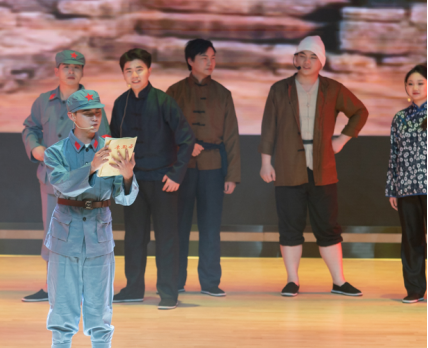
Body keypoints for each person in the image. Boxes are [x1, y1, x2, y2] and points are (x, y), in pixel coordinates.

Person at [42, 90, 138, 348]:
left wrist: (127, 176)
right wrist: (92, 167)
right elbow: (62, 184)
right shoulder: (56, 151)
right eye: (87, 112)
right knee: (62, 308)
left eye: (97, 111)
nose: (95, 117)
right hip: (65, 237)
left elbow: (125, 198)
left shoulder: (112, 149)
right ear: (72, 116)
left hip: (99, 236)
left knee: (101, 309)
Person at [259, 36, 369, 298]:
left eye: (313, 57)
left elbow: (360, 112)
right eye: (303, 56)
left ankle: (339, 281)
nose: (307, 62)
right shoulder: (280, 89)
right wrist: (265, 162)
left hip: (323, 168)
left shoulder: (333, 88)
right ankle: (292, 280)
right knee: (290, 225)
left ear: (322, 62)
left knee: (328, 226)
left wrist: (342, 139)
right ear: (295, 59)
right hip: (287, 166)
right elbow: (268, 127)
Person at [110, 48, 196, 310]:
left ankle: (168, 293)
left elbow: (187, 138)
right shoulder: (121, 103)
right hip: (133, 181)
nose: (134, 75)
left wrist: (176, 174)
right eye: (128, 70)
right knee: (134, 237)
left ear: (149, 70)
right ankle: (133, 288)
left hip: (163, 181)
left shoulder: (163, 101)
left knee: (167, 238)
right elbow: (114, 142)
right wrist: (119, 178)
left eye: (139, 69)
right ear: (123, 74)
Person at [22, 50, 111, 303]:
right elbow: (30, 128)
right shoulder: (44, 101)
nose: (71, 71)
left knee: (87, 234)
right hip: (52, 180)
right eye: (66, 67)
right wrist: (35, 147)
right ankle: (51, 287)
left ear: (82, 72)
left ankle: (85, 288)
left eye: (76, 67)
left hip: (85, 182)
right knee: (54, 233)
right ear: (57, 71)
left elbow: (105, 139)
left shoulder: (92, 102)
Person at [167, 39, 241, 297]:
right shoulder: (174, 92)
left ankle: (210, 282)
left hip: (213, 167)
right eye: (203, 58)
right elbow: (165, 130)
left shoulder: (223, 94)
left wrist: (232, 175)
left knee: (210, 227)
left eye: (213, 57)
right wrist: (185, 147)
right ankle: (176, 280)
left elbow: (232, 137)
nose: (210, 63)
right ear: (190, 61)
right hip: (182, 169)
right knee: (179, 226)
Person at [387, 64, 427, 304]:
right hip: (406, 187)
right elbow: (394, 153)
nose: (415, 88)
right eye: (410, 83)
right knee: (412, 238)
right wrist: (392, 188)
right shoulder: (400, 118)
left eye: (420, 83)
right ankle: (415, 289)